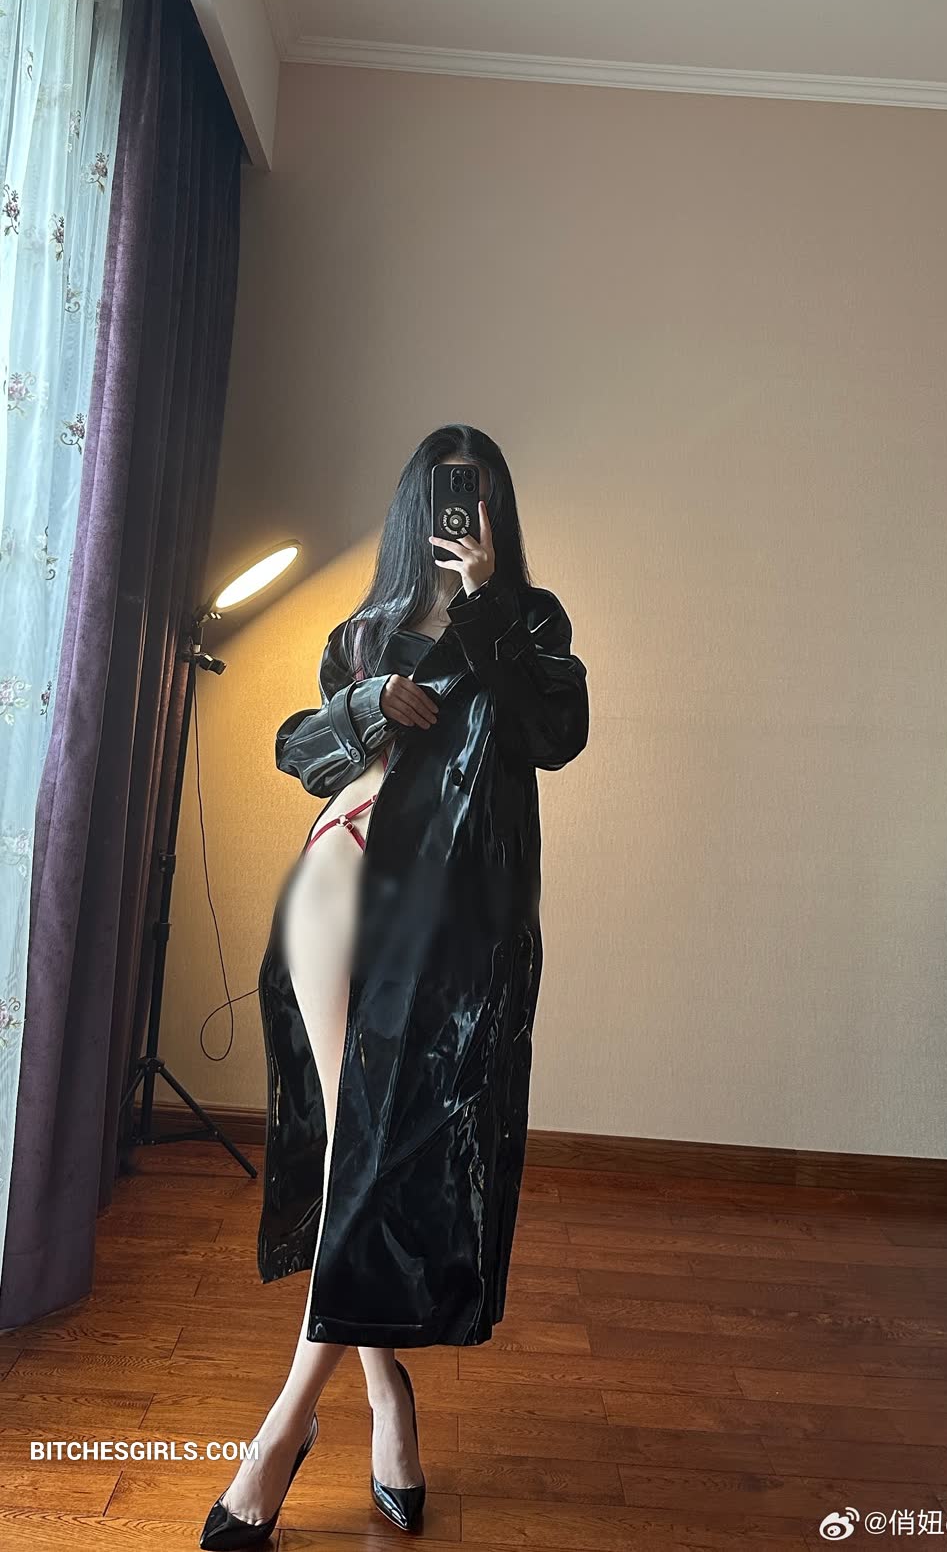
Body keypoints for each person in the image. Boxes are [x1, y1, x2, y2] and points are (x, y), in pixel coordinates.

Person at [200, 424, 589, 1547]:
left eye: (482, 495)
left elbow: (554, 734)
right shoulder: (362, 631)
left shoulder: (529, 621)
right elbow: (303, 755)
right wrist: (368, 705)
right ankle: (326, 1416)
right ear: (418, 505)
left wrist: (485, 605)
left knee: (370, 1152)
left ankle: (324, 1418)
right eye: (448, 494)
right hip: (339, 874)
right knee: (356, 1148)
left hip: (446, 919)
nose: (464, 513)